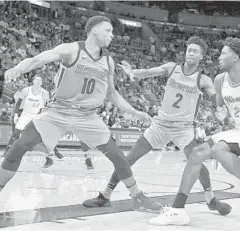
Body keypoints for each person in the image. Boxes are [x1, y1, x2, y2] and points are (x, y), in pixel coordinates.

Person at [0, 16, 162, 218]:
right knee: (19, 147)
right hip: (58, 111)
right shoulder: (72, 50)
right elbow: (38, 59)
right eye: (108, 31)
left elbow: (112, 93)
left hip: (87, 116)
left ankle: (137, 197)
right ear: (94, 30)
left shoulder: (108, 61)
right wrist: (18, 68)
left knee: (117, 155)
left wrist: (134, 112)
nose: (112, 36)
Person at [149, 37, 240, 226]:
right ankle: (178, 210)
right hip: (238, 131)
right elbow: (219, 107)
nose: (218, 57)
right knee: (196, 153)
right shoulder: (219, 80)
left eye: (223, 53)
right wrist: (219, 110)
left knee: (218, 150)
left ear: (235, 57)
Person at [83, 36, 231, 215]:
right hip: (160, 125)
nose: (190, 53)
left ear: (201, 57)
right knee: (128, 159)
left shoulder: (203, 79)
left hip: (183, 129)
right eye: (189, 50)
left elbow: (215, 97)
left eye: (195, 51)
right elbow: (147, 72)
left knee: (197, 162)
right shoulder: (171, 68)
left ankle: (211, 199)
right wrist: (133, 72)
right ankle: (105, 196)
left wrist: (221, 107)